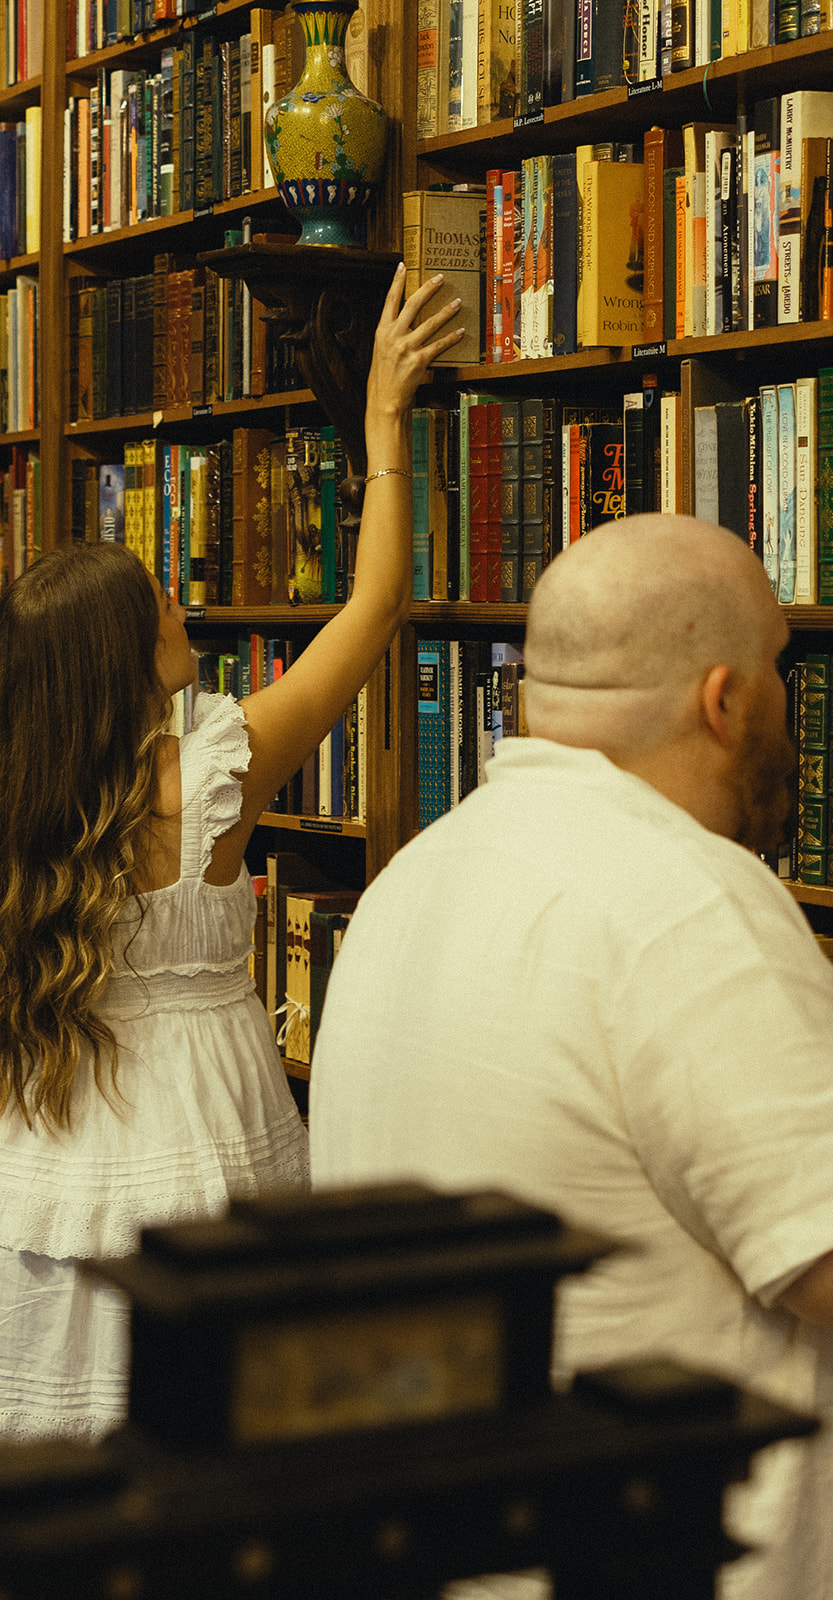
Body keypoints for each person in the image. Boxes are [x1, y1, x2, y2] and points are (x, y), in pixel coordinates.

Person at [308, 513, 833, 1600]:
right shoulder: (689, 902)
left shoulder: (417, 873)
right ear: (723, 699)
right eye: (781, 661)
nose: (791, 694)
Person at [0, 265, 464, 1444]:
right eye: (161, 605)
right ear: (116, 656)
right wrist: (383, 424)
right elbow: (375, 605)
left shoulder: (24, 800)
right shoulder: (211, 771)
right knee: (225, 1446)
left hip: (49, 1146)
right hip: (204, 1122)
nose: (183, 616)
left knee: (70, 1464)